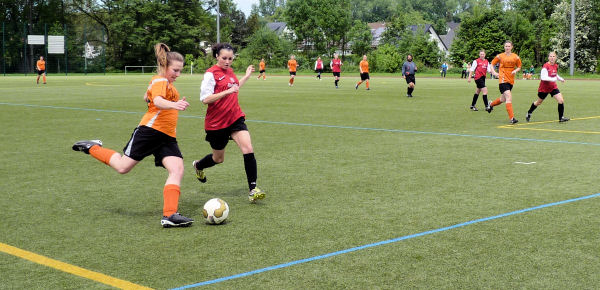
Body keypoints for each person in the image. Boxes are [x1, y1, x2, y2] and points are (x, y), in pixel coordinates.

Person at [72, 43, 193, 228]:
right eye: (175, 70)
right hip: (150, 132)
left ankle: (169, 215)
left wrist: (156, 97)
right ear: (164, 67)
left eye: (180, 71)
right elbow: (159, 101)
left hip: (167, 136)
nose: (178, 74)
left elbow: (148, 97)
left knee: (177, 169)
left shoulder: (164, 83)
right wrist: (173, 105)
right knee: (122, 167)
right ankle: (92, 147)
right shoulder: (160, 81)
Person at [193, 43, 266, 203]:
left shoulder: (230, 72)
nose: (227, 61)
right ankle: (199, 165)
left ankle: (253, 189)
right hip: (216, 123)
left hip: (235, 118)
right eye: (224, 58)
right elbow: (205, 99)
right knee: (218, 158)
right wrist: (226, 91)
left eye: (230, 58)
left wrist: (246, 76)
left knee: (248, 148)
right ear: (217, 56)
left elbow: (235, 87)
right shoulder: (210, 74)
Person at [525, 52, 569, 123]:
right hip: (544, 88)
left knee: (561, 100)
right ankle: (529, 112)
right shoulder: (545, 66)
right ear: (548, 57)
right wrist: (553, 79)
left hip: (553, 87)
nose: (552, 58)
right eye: (550, 56)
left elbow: (555, 74)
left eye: (553, 56)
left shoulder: (555, 65)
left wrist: (560, 79)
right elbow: (543, 77)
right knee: (538, 102)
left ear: (556, 58)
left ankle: (561, 118)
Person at [488, 40, 522, 124]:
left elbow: (519, 66)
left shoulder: (516, 57)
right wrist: (494, 72)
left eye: (508, 46)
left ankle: (491, 104)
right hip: (502, 80)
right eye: (506, 46)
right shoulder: (500, 56)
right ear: (504, 47)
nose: (507, 48)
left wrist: (515, 70)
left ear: (511, 47)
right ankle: (512, 118)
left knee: (503, 99)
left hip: (510, 80)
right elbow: (491, 64)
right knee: (509, 97)